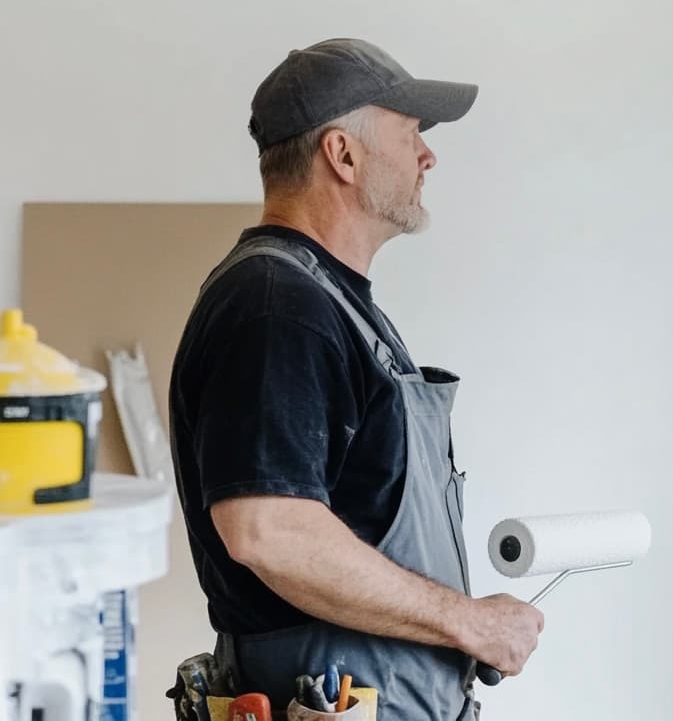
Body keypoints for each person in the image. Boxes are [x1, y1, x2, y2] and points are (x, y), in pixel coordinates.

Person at [168, 38, 543, 721]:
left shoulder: (331, 305)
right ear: (342, 154)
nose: (429, 157)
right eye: (410, 135)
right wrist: (466, 622)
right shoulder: (276, 305)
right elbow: (267, 529)